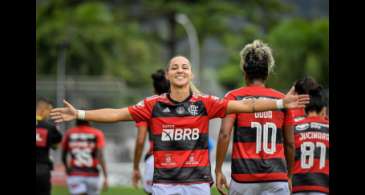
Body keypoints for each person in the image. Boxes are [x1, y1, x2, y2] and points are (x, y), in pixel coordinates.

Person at [50, 55, 309, 195]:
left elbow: (248, 106)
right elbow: (117, 113)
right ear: (168, 74)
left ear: (191, 74)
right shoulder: (153, 104)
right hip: (164, 184)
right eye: (175, 67)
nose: (180, 70)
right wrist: (80, 113)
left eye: (185, 67)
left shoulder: (206, 103)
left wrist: (279, 104)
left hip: (197, 184)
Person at [215, 40, 299, 195]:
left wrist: (218, 169)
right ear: (267, 73)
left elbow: (224, 134)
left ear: (245, 72)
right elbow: (290, 144)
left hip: (243, 180)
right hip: (276, 178)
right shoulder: (282, 100)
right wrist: (289, 176)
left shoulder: (234, 97)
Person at [132, 69, 170, 195]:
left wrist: (136, 167)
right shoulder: (184, 104)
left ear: (154, 89)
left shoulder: (148, 106)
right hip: (181, 160)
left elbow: (140, 140)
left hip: (155, 159)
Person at [292, 86, 329, 195]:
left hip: (297, 187)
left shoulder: (294, 128)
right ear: (324, 109)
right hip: (323, 187)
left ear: (304, 109)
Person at [61, 119, 108, 195]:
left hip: (75, 173)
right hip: (93, 174)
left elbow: (63, 155)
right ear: (89, 121)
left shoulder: (69, 133)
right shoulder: (97, 133)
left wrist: (67, 168)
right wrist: (105, 176)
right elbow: (100, 156)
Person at [36, 98, 63, 195]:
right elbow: (55, 146)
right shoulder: (49, 127)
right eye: (49, 111)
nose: (50, 114)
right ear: (43, 110)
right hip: (42, 170)